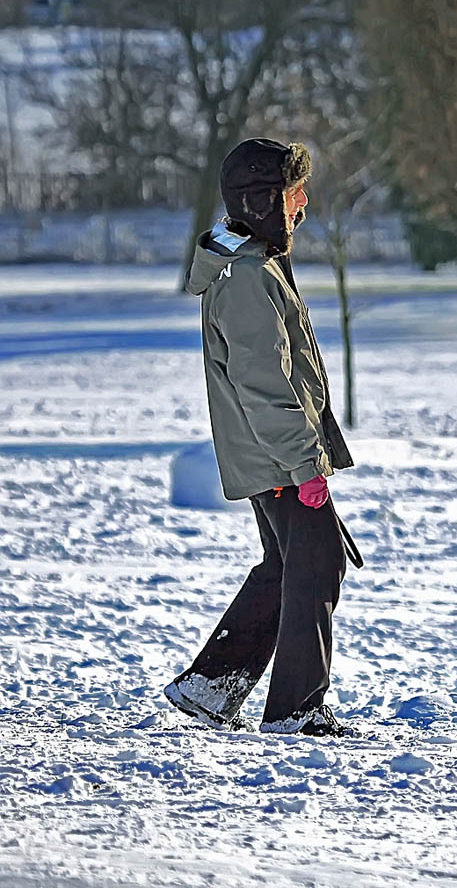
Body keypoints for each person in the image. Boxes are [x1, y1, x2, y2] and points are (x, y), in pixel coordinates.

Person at [164, 137, 354, 737]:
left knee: (290, 564)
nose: (303, 205)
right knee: (315, 566)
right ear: (265, 201)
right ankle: (297, 709)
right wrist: (305, 465)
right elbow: (262, 380)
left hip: (272, 451)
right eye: (294, 193)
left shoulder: (255, 261)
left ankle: (211, 685)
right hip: (276, 455)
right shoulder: (246, 275)